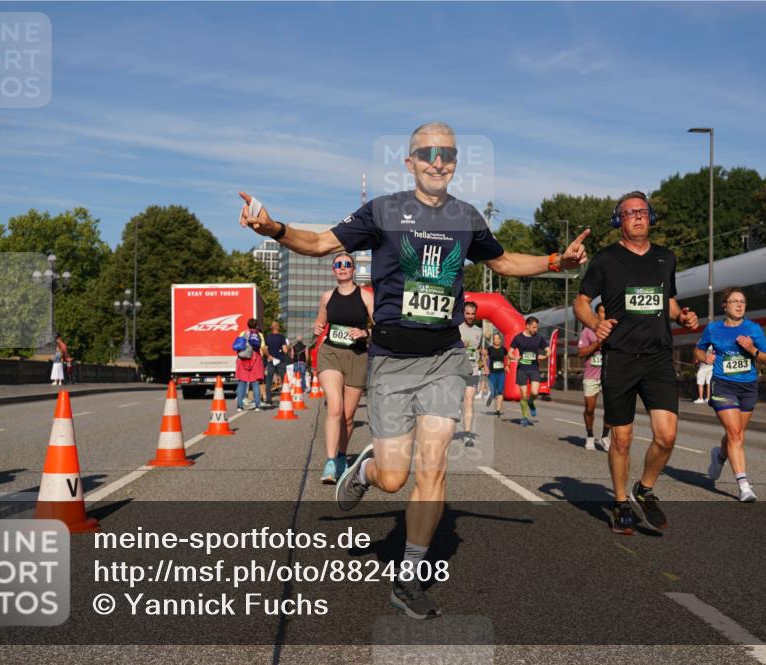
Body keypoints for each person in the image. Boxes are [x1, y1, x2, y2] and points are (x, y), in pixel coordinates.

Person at [241, 121, 588, 618]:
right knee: (393, 477)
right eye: (427, 152)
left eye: (447, 153)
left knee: (433, 468)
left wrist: (556, 260)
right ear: (410, 162)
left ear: (455, 163)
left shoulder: (466, 217)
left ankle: (409, 578)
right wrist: (273, 229)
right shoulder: (383, 211)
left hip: (445, 358)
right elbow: (321, 244)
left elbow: (505, 260)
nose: (437, 160)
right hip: (392, 362)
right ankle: (366, 467)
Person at [573, 191, 698, 536]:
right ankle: (619, 503)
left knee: (667, 436)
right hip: (620, 356)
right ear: (619, 221)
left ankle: (644, 488)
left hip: (658, 356)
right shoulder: (605, 260)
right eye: (629, 213)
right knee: (622, 439)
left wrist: (682, 315)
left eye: (642, 212)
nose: (638, 217)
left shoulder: (665, 258)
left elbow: (668, 302)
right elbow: (581, 302)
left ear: (651, 217)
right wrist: (592, 323)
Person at [696, 286, 766, 502]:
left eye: (743, 302)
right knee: (736, 434)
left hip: (747, 386)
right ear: (725, 305)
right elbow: (698, 349)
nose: (740, 305)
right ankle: (744, 486)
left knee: (735, 433)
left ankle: (719, 456)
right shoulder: (713, 329)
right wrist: (704, 357)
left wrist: (752, 350)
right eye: (735, 301)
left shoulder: (753, 328)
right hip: (723, 385)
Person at [314, 253, 374, 483]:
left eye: (347, 264)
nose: (342, 268)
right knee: (335, 409)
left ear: (353, 269)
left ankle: (340, 456)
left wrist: (365, 332)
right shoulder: (327, 297)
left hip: (357, 356)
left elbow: (379, 326)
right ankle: (330, 463)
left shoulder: (366, 296)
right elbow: (320, 324)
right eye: (338, 265)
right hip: (331, 354)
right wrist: (317, 328)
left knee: (348, 419)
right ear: (333, 270)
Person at [576, 303, 611, 451]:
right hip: (591, 376)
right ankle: (590, 436)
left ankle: (604, 437)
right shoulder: (587, 331)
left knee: (611, 409)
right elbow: (581, 353)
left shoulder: (614, 330)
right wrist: (596, 345)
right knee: (589, 409)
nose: (605, 315)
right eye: (603, 312)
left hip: (609, 375)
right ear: (597, 314)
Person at [509, 317, 550, 427]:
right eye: (534, 327)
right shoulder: (518, 338)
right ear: (527, 326)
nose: (536, 329)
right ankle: (525, 417)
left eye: (537, 327)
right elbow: (510, 352)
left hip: (534, 369)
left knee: (535, 392)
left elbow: (548, 350)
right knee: (523, 395)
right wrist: (515, 357)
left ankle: (531, 402)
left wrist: (545, 356)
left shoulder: (539, 338)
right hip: (522, 369)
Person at [458, 301, 484, 446]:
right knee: (455, 401)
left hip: (473, 370)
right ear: (463, 313)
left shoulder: (478, 331)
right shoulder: (456, 329)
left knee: (469, 401)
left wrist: (483, 365)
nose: (470, 316)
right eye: (467, 313)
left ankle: (467, 434)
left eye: (472, 314)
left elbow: (479, 350)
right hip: (456, 371)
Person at [235, 318, 265, 411]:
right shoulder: (259, 335)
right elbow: (262, 348)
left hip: (243, 359)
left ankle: (240, 406)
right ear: (256, 326)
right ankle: (257, 405)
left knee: (242, 382)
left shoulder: (242, 333)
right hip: (255, 359)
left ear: (247, 325)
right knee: (255, 383)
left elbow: (238, 346)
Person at [263, 321, 289, 406]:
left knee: (269, 381)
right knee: (284, 380)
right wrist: (288, 346)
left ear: (271, 328)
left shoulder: (268, 337)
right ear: (278, 328)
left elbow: (265, 349)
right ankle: (286, 397)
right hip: (280, 361)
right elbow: (285, 350)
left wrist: (269, 356)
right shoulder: (281, 337)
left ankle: (268, 400)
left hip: (271, 361)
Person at [482, 332, 506, 418]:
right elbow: (484, 357)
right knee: (493, 392)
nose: (496, 340)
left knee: (500, 391)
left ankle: (498, 410)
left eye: (497, 339)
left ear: (500, 340)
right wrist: (485, 367)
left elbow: (508, 357)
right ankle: (490, 397)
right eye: (494, 339)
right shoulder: (490, 349)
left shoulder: (504, 349)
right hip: (492, 372)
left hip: (501, 373)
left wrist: (508, 366)